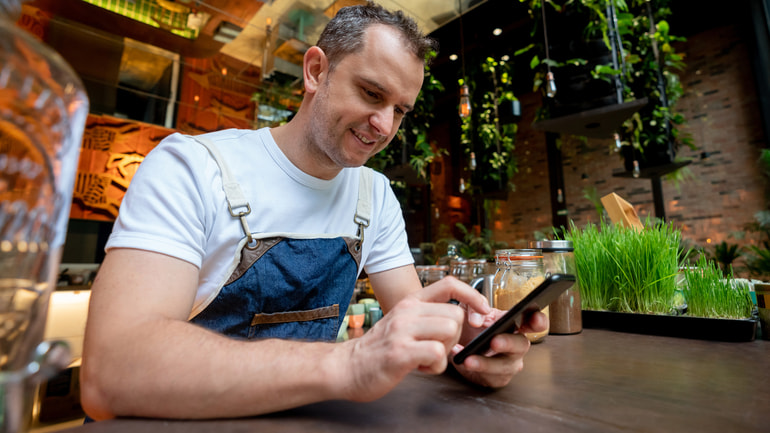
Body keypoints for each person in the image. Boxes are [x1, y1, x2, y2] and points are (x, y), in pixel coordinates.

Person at [79, 1, 546, 421]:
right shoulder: (193, 168)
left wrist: (474, 340)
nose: (384, 126)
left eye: (400, 110)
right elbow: (112, 371)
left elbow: (411, 319)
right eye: (370, 93)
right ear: (316, 71)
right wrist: (351, 362)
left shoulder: (374, 195)